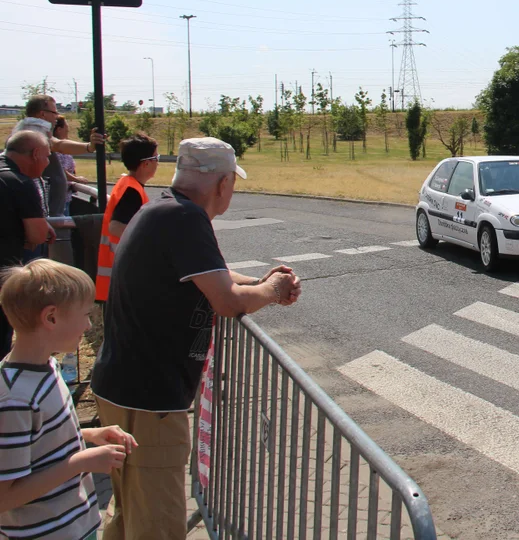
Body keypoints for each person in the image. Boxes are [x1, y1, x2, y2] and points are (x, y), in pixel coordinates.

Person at [91, 137, 301, 540]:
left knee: (128, 514)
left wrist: (261, 282)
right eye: (232, 183)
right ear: (222, 184)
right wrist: (273, 290)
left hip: (123, 387)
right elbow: (225, 300)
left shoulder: (164, 209)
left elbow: (215, 275)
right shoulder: (186, 220)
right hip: (149, 401)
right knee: (158, 525)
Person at [0, 259, 137, 540]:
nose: (88, 325)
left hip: (74, 527)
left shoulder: (47, 367)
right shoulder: (13, 399)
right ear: (51, 317)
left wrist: (89, 434)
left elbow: (37, 444)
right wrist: (80, 462)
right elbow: (5, 497)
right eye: (85, 314)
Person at [0, 131, 55, 358]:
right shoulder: (20, 183)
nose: (48, 162)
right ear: (35, 154)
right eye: (47, 156)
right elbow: (37, 235)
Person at [15, 96, 105, 219]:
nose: (56, 117)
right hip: (47, 215)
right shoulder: (35, 130)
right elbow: (59, 145)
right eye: (54, 112)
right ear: (42, 114)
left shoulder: (25, 128)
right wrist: (89, 147)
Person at [95, 133, 160, 302]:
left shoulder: (128, 184)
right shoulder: (132, 190)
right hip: (120, 277)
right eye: (156, 158)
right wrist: (149, 237)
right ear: (146, 163)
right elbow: (115, 227)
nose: (158, 162)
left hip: (116, 275)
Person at [52, 116, 89, 216]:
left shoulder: (65, 147)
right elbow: (59, 171)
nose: (68, 130)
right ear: (59, 130)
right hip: (60, 198)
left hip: (66, 195)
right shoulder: (56, 150)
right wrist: (77, 179)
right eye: (66, 128)